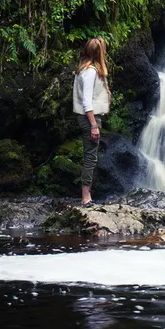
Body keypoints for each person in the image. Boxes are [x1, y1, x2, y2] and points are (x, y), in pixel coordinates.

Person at [72, 37, 111, 206]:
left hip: (88, 117)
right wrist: (94, 125)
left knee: (91, 156)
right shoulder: (90, 72)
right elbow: (87, 102)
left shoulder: (84, 69)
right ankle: (86, 197)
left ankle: (87, 195)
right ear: (99, 53)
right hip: (89, 118)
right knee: (90, 157)